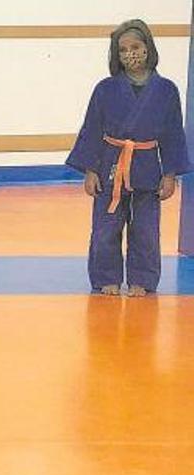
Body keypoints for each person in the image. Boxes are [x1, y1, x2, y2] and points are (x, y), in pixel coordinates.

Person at [67, 19, 191, 297]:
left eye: (135, 47)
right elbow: (92, 129)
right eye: (122, 50)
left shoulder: (167, 90)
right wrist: (90, 170)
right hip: (110, 165)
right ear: (116, 55)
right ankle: (105, 277)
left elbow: (173, 134)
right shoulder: (105, 89)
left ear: (148, 48)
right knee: (105, 228)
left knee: (146, 230)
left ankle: (142, 279)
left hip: (148, 166)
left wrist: (170, 175)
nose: (130, 54)